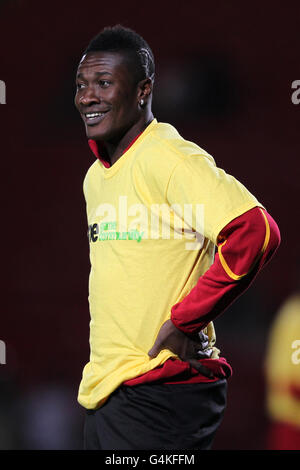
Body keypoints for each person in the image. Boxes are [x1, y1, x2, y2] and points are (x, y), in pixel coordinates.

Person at [74, 25, 281, 450]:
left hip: (160, 391)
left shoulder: (167, 157)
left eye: (104, 83)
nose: (87, 96)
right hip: (108, 392)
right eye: (81, 85)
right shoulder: (96, 176)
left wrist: (186, 319)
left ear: (143, 90)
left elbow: (255, 231)